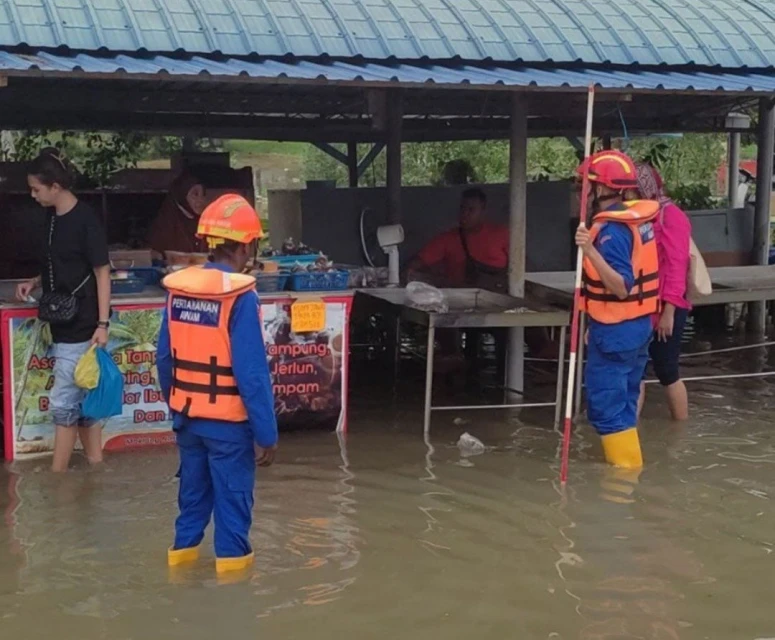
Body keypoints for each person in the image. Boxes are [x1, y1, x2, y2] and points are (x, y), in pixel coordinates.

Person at [157, 193, 278, 575]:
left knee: (191, 507)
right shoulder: (240, 296)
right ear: (246, 246)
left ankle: (179, 577)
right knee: (232, 514)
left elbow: (164, 360)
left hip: (188, 422)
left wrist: (179, 406)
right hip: (228, 428)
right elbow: (252, 375)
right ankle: (233, 596)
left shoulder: (180, 289)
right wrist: (267, 435)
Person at [16, 148, 111, 473]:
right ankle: (95, 467)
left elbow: (102, 272)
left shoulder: (86, 221)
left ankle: (58, 479)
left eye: (36, 189)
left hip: (83, 323)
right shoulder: (52, 217)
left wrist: (102, 323)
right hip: (62, 320)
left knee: (63, 401)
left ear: (55, 186)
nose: (33, 195)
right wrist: (36, 281)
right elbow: (62, 263)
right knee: (84, 401)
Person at [574, 150, 660, 469]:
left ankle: (622, 480)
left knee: (606, 409)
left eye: (585, 186)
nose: (581, 193)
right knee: (624, 403)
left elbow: (621, 286)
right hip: (634, 326)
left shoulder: (612, 231)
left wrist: (588, 249)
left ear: (600, 189)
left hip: (618, 332)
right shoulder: (634, 219)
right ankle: (629, 471)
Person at [631, 164, 692, 421]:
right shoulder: (637, 215)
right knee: (636, 370)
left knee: (667, 370)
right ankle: (629, 427)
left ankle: (680, 427)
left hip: (666, 305)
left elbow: (678, 265)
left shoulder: (671, 216)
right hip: (641, 304)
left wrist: (669, 311)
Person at [146, 165, 241, 257]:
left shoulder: (207, 222)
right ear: (182, 195)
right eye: (195, 194)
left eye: (203, 194)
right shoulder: (166, 223)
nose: (200, 200)